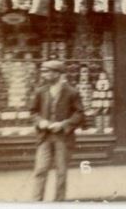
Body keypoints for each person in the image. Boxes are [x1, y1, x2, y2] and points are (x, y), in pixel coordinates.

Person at [30, 60, 84, 201]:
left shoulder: (72, 92)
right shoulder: (40, 91)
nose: (45, 74)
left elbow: (79, 114)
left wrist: (64, 124)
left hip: (63, 138)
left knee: (61, 172)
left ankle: (59, 202)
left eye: (48, 71)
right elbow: (33, 112)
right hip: (45, 137)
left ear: (58, 73)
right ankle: (36, 202)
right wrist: (40, 121)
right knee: (40, 170)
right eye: (44, 71)